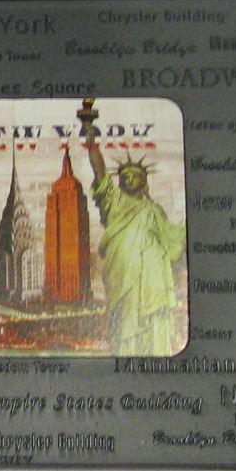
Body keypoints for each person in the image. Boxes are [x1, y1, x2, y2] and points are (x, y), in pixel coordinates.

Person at [82, 130, 185, 355]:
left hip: (152, 274)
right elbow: (100, 174)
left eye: (134, 175)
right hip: (122, 273)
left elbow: (172, 240)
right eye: (124, 176)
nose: (128, 178)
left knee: (153, 320)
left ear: (144, 182)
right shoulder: (114, 202)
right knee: (124, 322)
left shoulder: (153, 209)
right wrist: (92, 146)